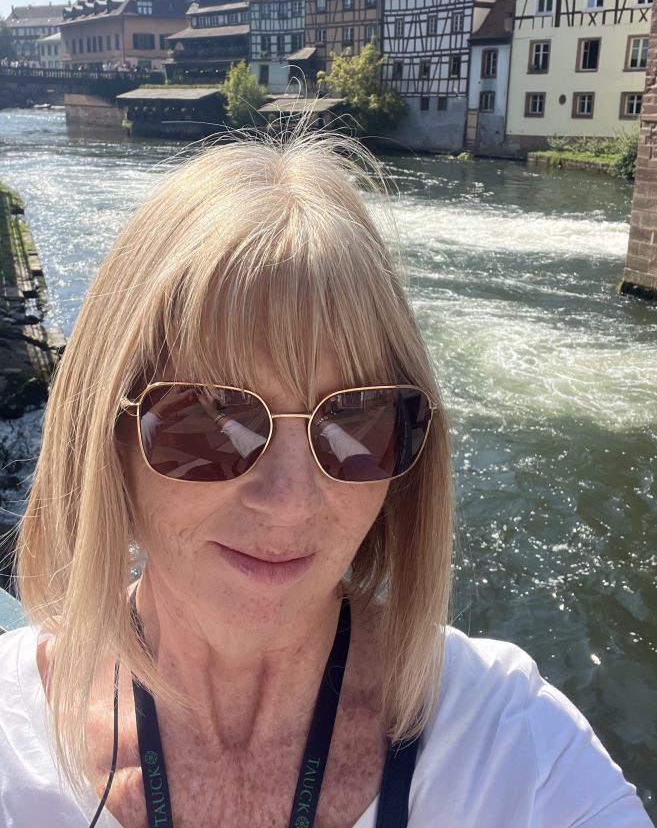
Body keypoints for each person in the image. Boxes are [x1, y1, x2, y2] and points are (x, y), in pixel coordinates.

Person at [0, 134, 652, 828]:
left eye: (356, 421)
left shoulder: (511, 748)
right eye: (211, 418)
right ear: (106, 433)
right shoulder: (15, 740)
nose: (290, 502)